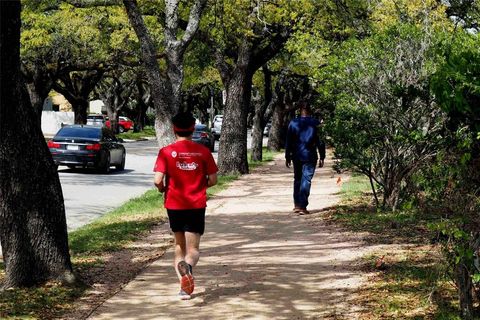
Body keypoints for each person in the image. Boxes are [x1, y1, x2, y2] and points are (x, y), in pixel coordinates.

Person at [153, 112, 218, 300]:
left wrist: (163, 188)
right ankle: (188, 269)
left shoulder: (166, 152)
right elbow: (213, 179)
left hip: (174, 205)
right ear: (192, 129)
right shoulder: (203, 152)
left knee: (178, 246)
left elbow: (157, 180)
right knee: (193, 249)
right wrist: (200, 184)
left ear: (174, 130)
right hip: (196, 205)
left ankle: (183, 288)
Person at [285, 100, 326, 215]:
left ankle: (297, 205)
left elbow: (288, 141)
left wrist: (287, 156)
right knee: (306, 179)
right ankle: (302, 206)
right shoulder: (315, 123)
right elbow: (320, 142)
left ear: (300, 110)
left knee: (297, 179)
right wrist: (322, 156)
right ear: (310, 110)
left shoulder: (293, 123)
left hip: (296, 155)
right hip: (310, 155)